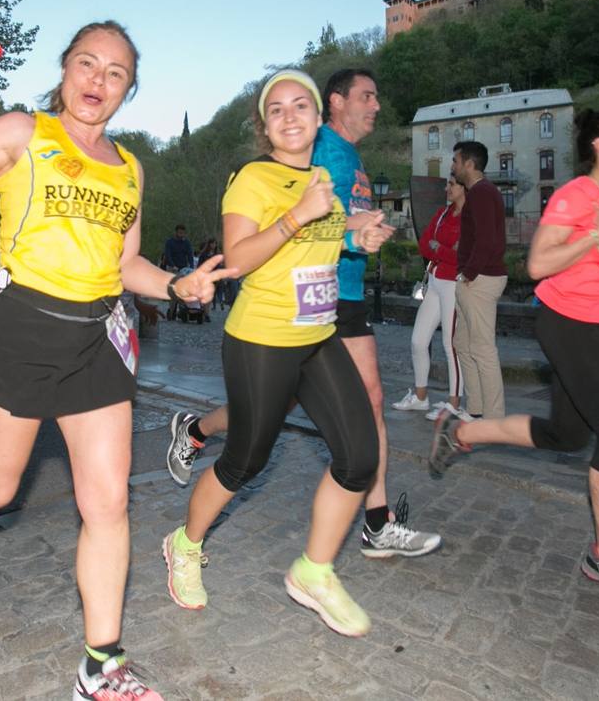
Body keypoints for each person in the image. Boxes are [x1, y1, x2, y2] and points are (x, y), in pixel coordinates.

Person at [0, 25, 229, 701]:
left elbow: (124, 261)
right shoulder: (23, 131)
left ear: (128, 90)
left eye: (115, 72)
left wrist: (175, 284)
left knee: (108, 502)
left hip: (94, 340)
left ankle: (100, 665)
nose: (98, 79)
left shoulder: (130, 167)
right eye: (87, 62)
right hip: (16, 330)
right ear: (65, 69)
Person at [166, 68, 442, 559]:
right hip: (263, 336)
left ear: (318, 117)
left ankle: (316, 571)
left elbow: (325, 237)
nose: (289, 117)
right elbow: (237, 259)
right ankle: (184, 544)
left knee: (359, 457)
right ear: (265, 127)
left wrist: (358, 236)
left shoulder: (319, 178)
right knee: (246, 460)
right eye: (276, 110)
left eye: (299, 106)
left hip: (317, 332)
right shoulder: (254, 177)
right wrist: (298, 216)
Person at [430, 107, 599, 610]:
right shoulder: (575, 197)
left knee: (565, 435)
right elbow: (539, 264)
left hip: (597, 323)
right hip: (567, 323)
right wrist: (595, 231)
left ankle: (459, 432)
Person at [392, 178, 470, 422]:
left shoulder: (469, 217)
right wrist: (443, 249)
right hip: (435, 279)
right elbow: (425, 245)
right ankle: (420, 396)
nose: (446, 189)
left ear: (463, 188)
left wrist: (440, 248)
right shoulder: (442, 213)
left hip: (452, 284)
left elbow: (462, 256)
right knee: (418, 340)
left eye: (451, 185)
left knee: (450, 344)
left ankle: (454, 402)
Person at [451, 139, 508, 419]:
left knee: (483, 348)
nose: (454, 166)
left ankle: (494, 417)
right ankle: (475, 408)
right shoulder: (479, 193)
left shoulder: (483, 192)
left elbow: (487, 240)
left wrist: (469, 273)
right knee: (463, 343)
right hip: (474, 278)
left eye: (456, 161)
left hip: (480, 279)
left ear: (469, 164)